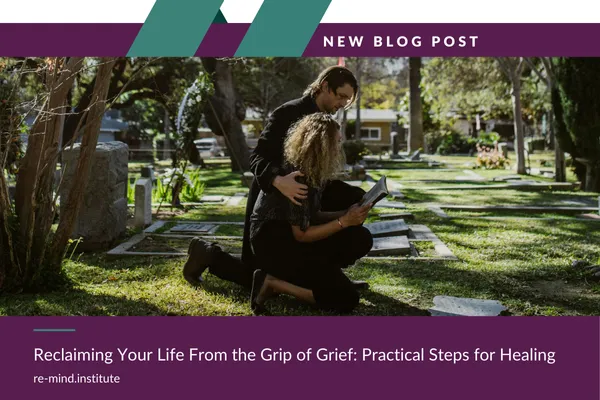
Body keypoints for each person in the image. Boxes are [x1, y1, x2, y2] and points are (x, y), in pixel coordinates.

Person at [183, 65, 368, 290]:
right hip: (274, 199)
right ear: (324, 86)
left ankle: (326, 274)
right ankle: (208, 255)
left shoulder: (327, 120)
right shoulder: (287, 112)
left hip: (305, 198)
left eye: (347, 101)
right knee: (254, 276)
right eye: (341, 97)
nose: (342, 104)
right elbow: (257, 158)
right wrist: (279, 181)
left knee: (354, 197)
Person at [249, 113, 373, 314]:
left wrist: (346, 214)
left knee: (359, 236)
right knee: (346, 299)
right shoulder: (297, 176)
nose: (339, 147)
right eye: (336, 142)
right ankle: (272, 283)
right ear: (321, 144)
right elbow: (301, 234)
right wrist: (343, 221)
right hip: (274, 245)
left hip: (291, 239)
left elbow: (312, 216)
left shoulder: (312, 169)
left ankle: (322, 275)